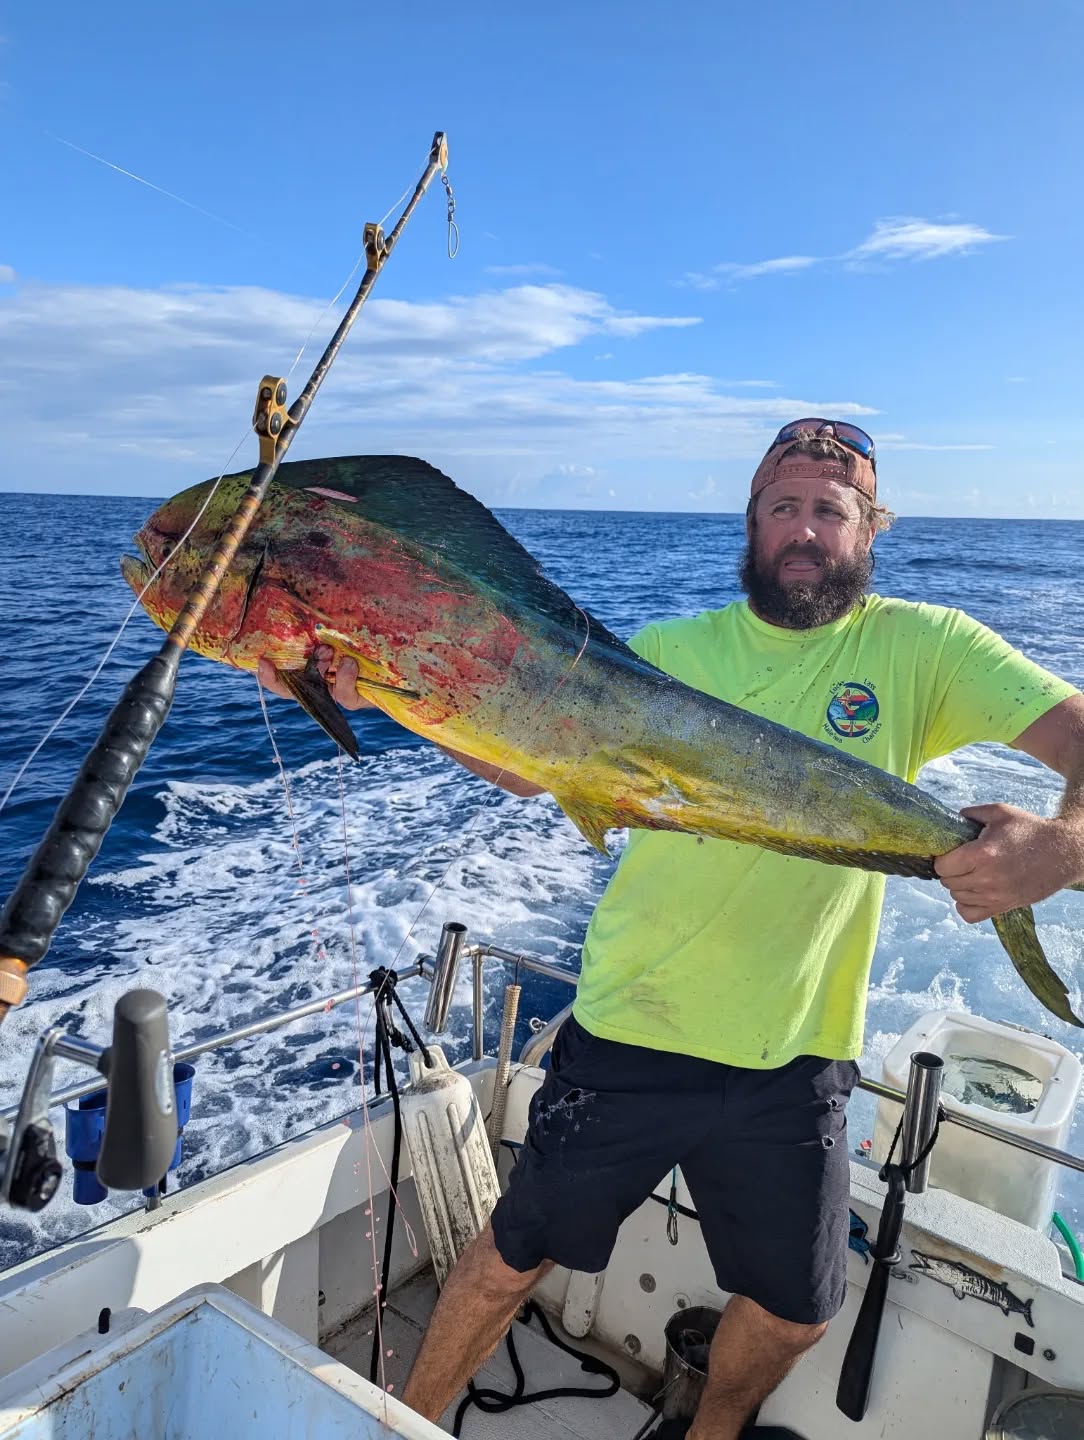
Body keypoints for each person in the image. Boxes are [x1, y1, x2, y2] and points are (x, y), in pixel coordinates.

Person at [259, 420, 1084, 1439]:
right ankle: (399, 1427)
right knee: (508, 1258)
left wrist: (1065, 844)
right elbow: (526, 762)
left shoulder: (926, 649)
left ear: (870, 529)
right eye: (781, 506)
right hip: (630, 1027)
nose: (803, 529)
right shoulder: (664, 654)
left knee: (794, 1313)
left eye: (830, 509)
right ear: (749, 522)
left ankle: (709, 1431)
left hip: (795, 1054)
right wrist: (372, 682)